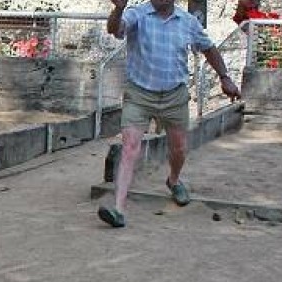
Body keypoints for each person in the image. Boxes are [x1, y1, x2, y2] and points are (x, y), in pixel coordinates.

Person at [100, 0, 241, 228]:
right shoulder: (137, 14)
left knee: (178, 148)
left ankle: (173, 180)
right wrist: (118, 9)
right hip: (139, 93)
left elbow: (208, 47)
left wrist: (225, 77)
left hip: (174, 95)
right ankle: (118, 209)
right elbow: (115, 29)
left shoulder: (187, 22)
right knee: (129, 148)